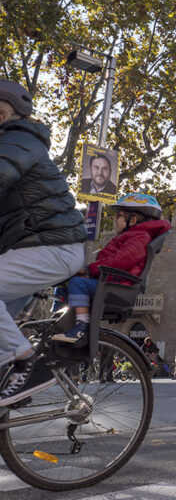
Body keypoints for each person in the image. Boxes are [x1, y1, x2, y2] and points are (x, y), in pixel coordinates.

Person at [0, 80, 87, 406]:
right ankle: (12, 384)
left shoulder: (19, 139)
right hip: (30, 249)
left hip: (55, 247)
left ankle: (27, 363)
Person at [52, 193, 170, 345]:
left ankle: (81, 326)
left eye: (119, 216)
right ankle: (56, 322)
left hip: (116, 286)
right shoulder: (133, 236)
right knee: (65, 284)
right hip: (109, 282)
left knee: (77, 283)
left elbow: (118, 261)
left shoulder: (140, 238)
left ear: (132, 220)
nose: (115, 220)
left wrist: (89, 270)